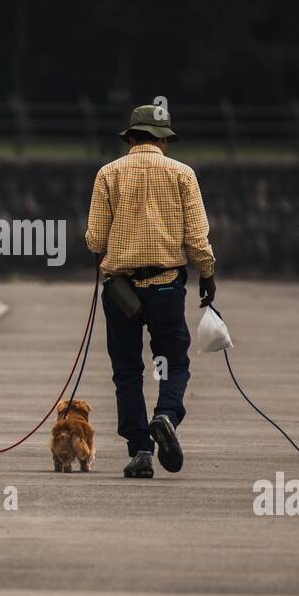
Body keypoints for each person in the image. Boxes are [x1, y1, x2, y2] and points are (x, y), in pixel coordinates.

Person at [84, 104, 216, 478]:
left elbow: (95, 238)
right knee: (173, 362)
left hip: (120, 290)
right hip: (166, 287)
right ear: (163, 141)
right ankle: (166, 414)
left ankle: (140, 450)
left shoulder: (107, 174)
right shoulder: (182, 174)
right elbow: (196, 238)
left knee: (127, 371)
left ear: (130, 138)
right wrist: (207, 274)